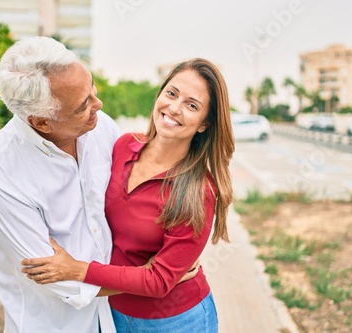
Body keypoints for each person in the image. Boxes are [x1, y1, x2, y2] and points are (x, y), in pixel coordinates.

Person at [21, 58, 235, 332]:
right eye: (171, 93)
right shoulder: (123, 146)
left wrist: (76, 269)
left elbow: (158, 282)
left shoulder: (198, 190)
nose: (174, 108)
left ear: (204, 124)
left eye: (192, 105)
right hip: (116, 313)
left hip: (178, 320)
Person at [0, 36, 121, 333]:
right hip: (57, 324)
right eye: (83, 105)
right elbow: (65, 283)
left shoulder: (100, 125)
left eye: (92, 89)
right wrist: (154, 279)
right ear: (41, 122)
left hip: (117, 315)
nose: (98, 105)